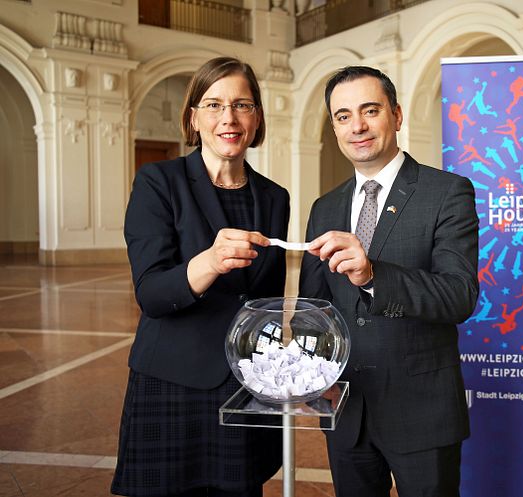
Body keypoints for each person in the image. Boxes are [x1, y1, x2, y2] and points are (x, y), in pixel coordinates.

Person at [112, 57, 289, 497]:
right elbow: (151, 294)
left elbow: (267, 299)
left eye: (242, 105)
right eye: (213, 105)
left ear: (257, 117)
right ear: (193, 117)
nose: (228, 117)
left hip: (247, 381)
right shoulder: (159, 181)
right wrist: (209, 261)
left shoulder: (275, 198)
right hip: (174, 379)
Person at [300, 66, 479, 497]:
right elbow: (314, 308)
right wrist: (310, 372)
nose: (356, 126)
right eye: (342, 116)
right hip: (346, 410)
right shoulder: (325, 207)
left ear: (396, 116)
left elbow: (459, 296)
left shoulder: (447, 192)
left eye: (369, 110)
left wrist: (373, 275)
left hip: (422, 413)